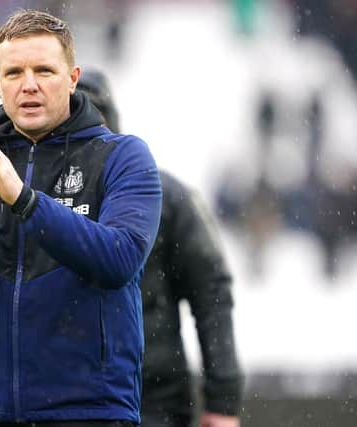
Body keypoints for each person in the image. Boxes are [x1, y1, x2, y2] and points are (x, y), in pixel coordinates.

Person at [0, 9, 162, 426]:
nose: (28, 85)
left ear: (73, 77)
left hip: (89, 411)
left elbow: (119, 259)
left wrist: (26, 202)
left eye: (44, 70)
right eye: (13, 73)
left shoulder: (123, 156)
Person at [77, 67, 244, 427]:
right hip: (60, 397)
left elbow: (211, 292)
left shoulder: (165, 196)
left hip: (151, 397)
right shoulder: (33, 198)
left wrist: (223, 398)